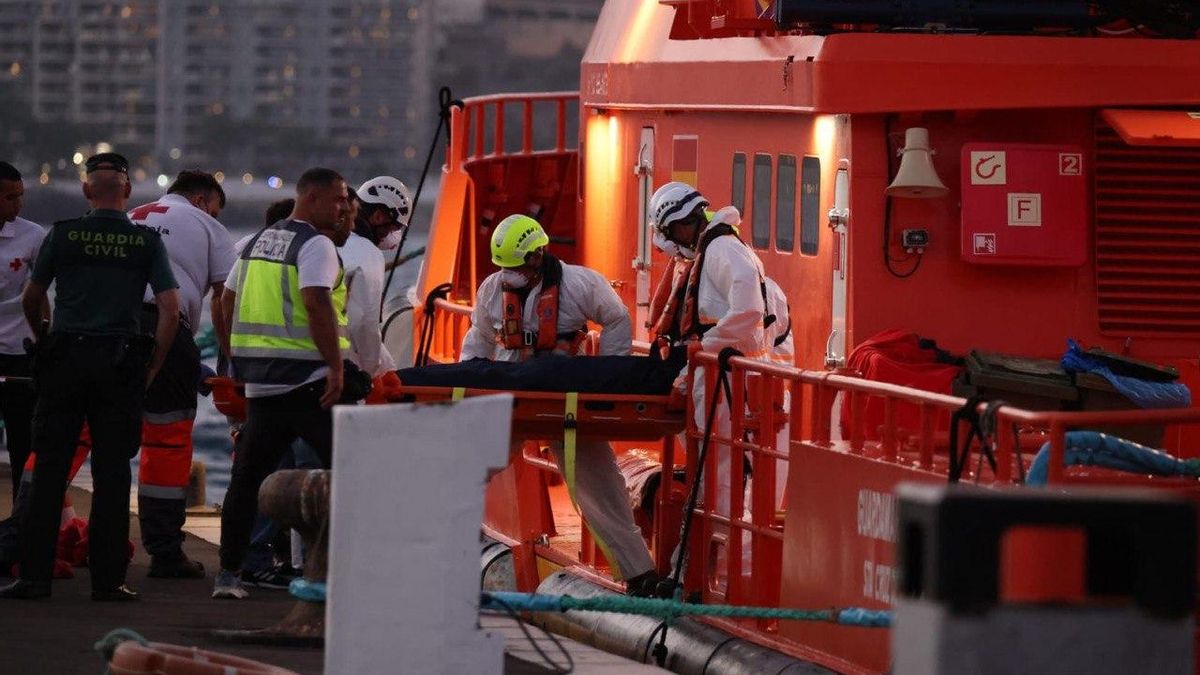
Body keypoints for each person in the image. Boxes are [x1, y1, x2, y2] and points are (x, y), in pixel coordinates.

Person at [0, 152, 180, 601]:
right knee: (114, 476)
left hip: (65, 360)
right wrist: (152, 364)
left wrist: (44, 342)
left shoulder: (62, 235)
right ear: (126, 192)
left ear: (85, 192)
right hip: (119, 365)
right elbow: (170, 309)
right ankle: (109, 581)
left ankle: (34, 577)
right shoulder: (145, 243)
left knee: (49, 473)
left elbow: (32, 297)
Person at [460, 214, 660, 595]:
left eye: (515, 267)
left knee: (599, 486)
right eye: (504, 268)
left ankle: (639, 573)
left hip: (566, 402)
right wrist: (469, 385)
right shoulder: (492, 291)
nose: (509, 275)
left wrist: (604, 379)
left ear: (537, 256)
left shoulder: (580, 285)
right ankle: (437, 545)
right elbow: (479, 339)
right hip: (513, 400)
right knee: (468, 467)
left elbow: (616, 319)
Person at [213, 167, 352, 599]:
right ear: (311, 198)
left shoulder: (259, 241)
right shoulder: (316, 245)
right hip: (308, 382)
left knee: (246, 480)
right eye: (339, 199)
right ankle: (352, 572)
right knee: (351, 473)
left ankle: (228, 576)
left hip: (263, 386)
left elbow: (225, 300)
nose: (345, 208)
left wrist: (235, 355)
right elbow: (315, 301)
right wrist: (336, 366)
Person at [647, 181, 777, 576]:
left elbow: (749, 311)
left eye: (670, 235)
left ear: (683, 225)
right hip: (713, 369)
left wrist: (704, 352)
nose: (671, 245)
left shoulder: (723, 250)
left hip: (722, 374)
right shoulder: (716, 249)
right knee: (713, 469)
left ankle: (702, 571)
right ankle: (695, 567)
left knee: (717, 470)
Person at [128, 170, 237, 579]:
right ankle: (165, 552)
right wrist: (227, 358)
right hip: (165, 328)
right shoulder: (207, 225)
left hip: (107, 326)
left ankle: (32, 533)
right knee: (166, 441)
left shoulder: (133, 215)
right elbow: (223, 300)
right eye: (216, 208)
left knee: (83, 433)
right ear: (203, 201)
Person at [0, 162, 46, 503]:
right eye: (9, 198)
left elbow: (41, 295)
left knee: (23, 442)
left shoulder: (31, 236)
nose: (18, 205)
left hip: (19, 349)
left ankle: (21, 520)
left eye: (21, 196)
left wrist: (47, 340)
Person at [341, 186, 396, 379]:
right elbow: (364, 323)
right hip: (341, 369)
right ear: (379, 217)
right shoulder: (368, 254)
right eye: (393, 228)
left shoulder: (315, 243)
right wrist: (374, 371)